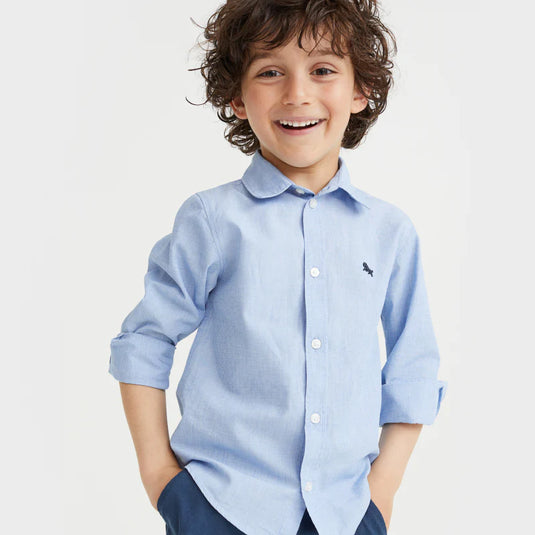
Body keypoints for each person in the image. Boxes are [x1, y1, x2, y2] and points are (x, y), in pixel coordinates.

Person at [108, 1, 448, 534]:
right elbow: (145, 340)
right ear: (237, 98)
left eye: (323, 69)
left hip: (343, 513)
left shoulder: (390, 232)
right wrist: (160, 478)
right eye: (270, 72)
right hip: (221, 507)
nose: (297, 94)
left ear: (360, 90)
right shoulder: (212, 219)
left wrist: (379, 495)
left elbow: (413, 366)